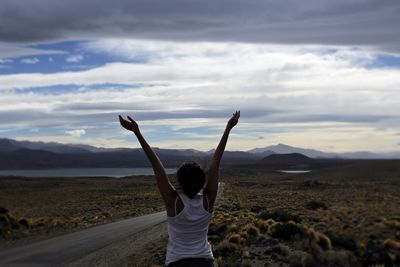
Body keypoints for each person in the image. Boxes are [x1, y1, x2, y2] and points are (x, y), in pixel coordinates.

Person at [119, 111, 240, 267]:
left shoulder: (174, 202)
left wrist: (137, 132)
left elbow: (157, 166)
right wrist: (228, 128)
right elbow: (216, 162)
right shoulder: (208, 200)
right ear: (203, 181)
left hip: (177, 262)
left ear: (180, 182)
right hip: (205, 261)